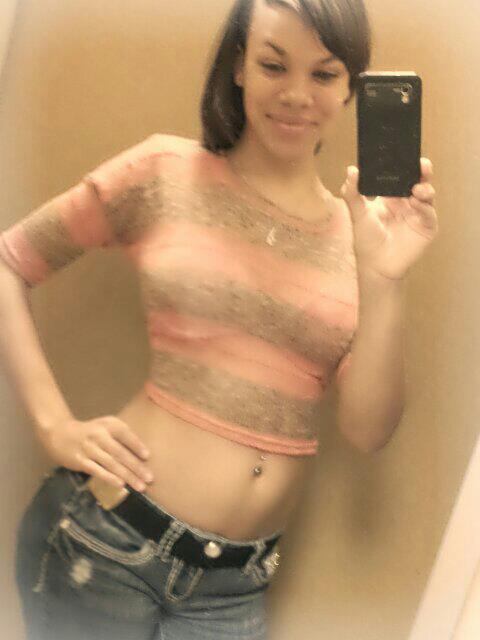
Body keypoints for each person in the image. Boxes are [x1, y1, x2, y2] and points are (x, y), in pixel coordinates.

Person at [0, 0, 438, 639]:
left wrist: (384, 277)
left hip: (235, 588)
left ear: (351, 88)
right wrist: (52, 424)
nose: (297, 95)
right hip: (108, 543)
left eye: (323, 74)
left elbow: (369, 431)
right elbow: (10, 263)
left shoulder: (363, 236)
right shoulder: (162, 171)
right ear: (238, 66)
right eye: (273, 64)